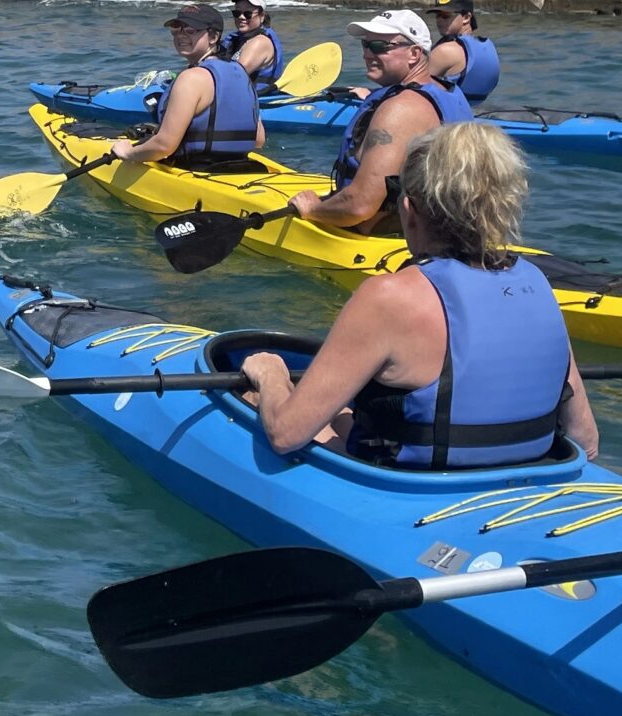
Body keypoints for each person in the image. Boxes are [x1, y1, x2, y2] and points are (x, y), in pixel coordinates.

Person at [243, 122, 598, 466]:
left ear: (409, 210)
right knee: (343, 414)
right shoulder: (535, 283)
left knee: (255, 398)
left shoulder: (389, 296)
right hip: (522, 475)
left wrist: (271, 372)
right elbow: (586, 441)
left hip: (415, 484)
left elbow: (286, 434)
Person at [290, 10, 472, 235]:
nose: (367, 54)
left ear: (414, 53)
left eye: (378, 47)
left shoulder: (401, 109)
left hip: (383, 235)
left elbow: (359, 206)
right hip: (447, 230)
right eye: (364, 45)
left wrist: (313, 209)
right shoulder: (448, 91)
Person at [105, 4, 265, 165]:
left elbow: (163, 146)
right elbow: (259, 139)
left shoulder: (191, 78)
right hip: (240, 165)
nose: (180, 36)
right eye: (176, 30)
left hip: (196, 168)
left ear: (213, 37)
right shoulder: (242, 74)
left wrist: (129, 153)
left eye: (191, 31)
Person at [424, 0, 501, 104]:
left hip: (449, 116)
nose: (439, 20)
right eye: (437, 15)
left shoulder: (445, 51)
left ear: (466, 17)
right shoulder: (487, 46)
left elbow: (414, 87)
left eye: (445, 15)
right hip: (474, 109)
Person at [221, 0, 286, 91]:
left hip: (258, 102)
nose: (241, 17)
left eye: (248, 14)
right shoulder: (237, 39)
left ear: (262, 16)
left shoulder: (260, 42)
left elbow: (234, 77)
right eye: (237, 13)